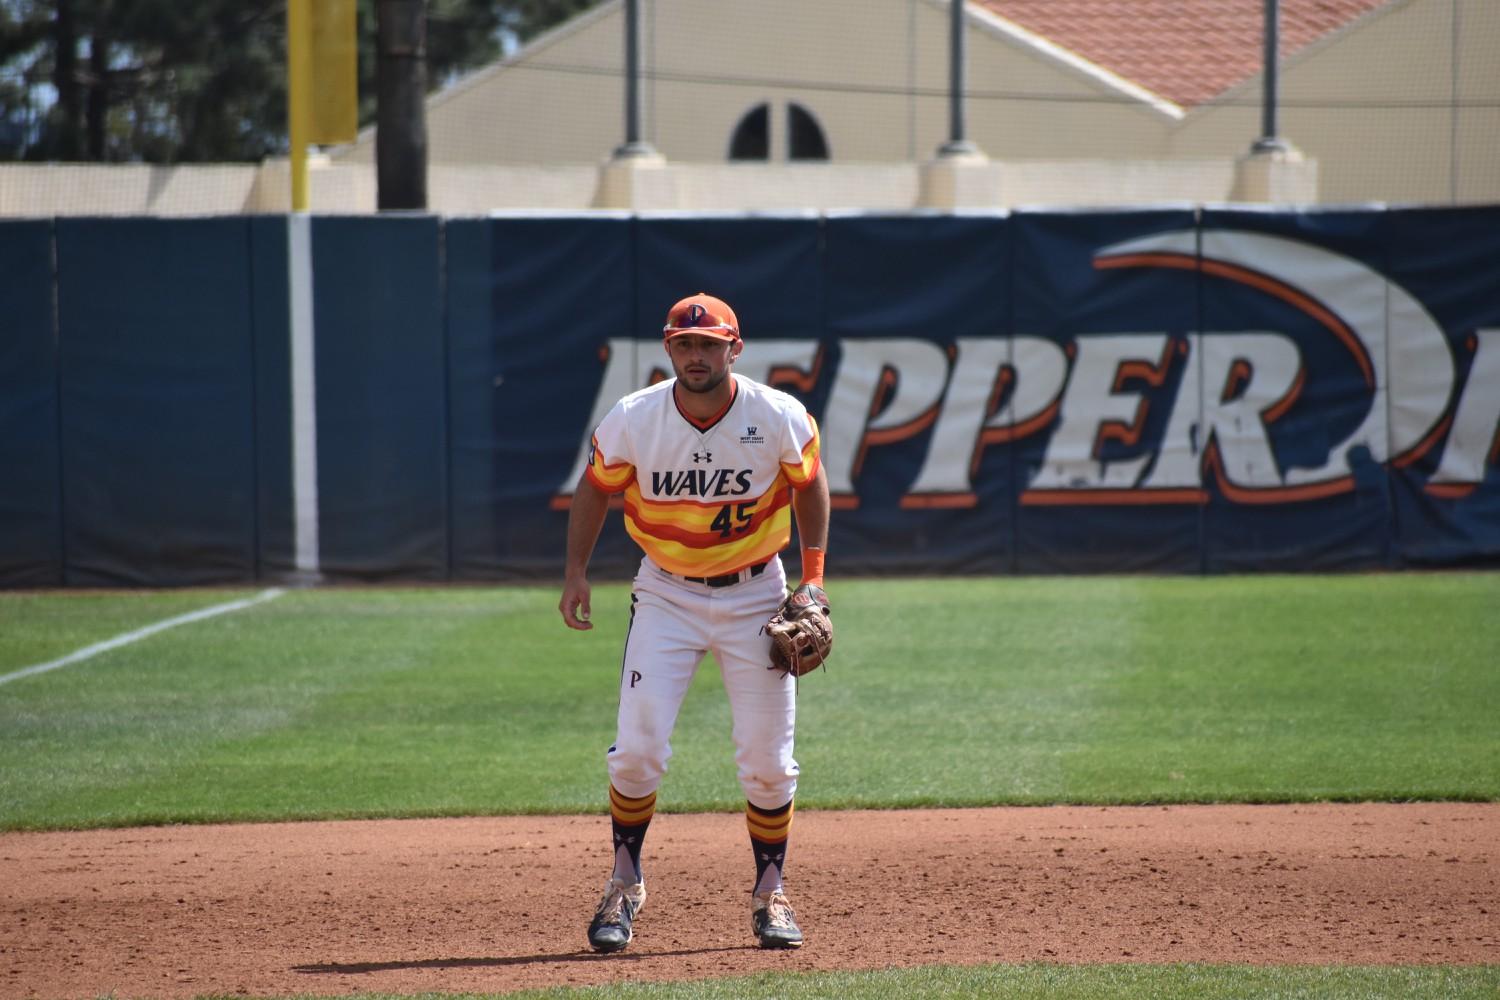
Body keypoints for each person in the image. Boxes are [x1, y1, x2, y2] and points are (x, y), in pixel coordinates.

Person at [559, 291, 831, 953]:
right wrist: (576, 572)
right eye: (685, 344)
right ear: (669, 349)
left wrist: (814, 579)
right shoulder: (635, 418)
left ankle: (771, 897)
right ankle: (623, 886)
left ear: (734, 349)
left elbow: (809, 481)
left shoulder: (776, 414)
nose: (697, 354)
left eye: (710, 344)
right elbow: (596, 487)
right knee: (638, 751)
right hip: (666, 595)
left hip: (756, 595)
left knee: (768, 765)